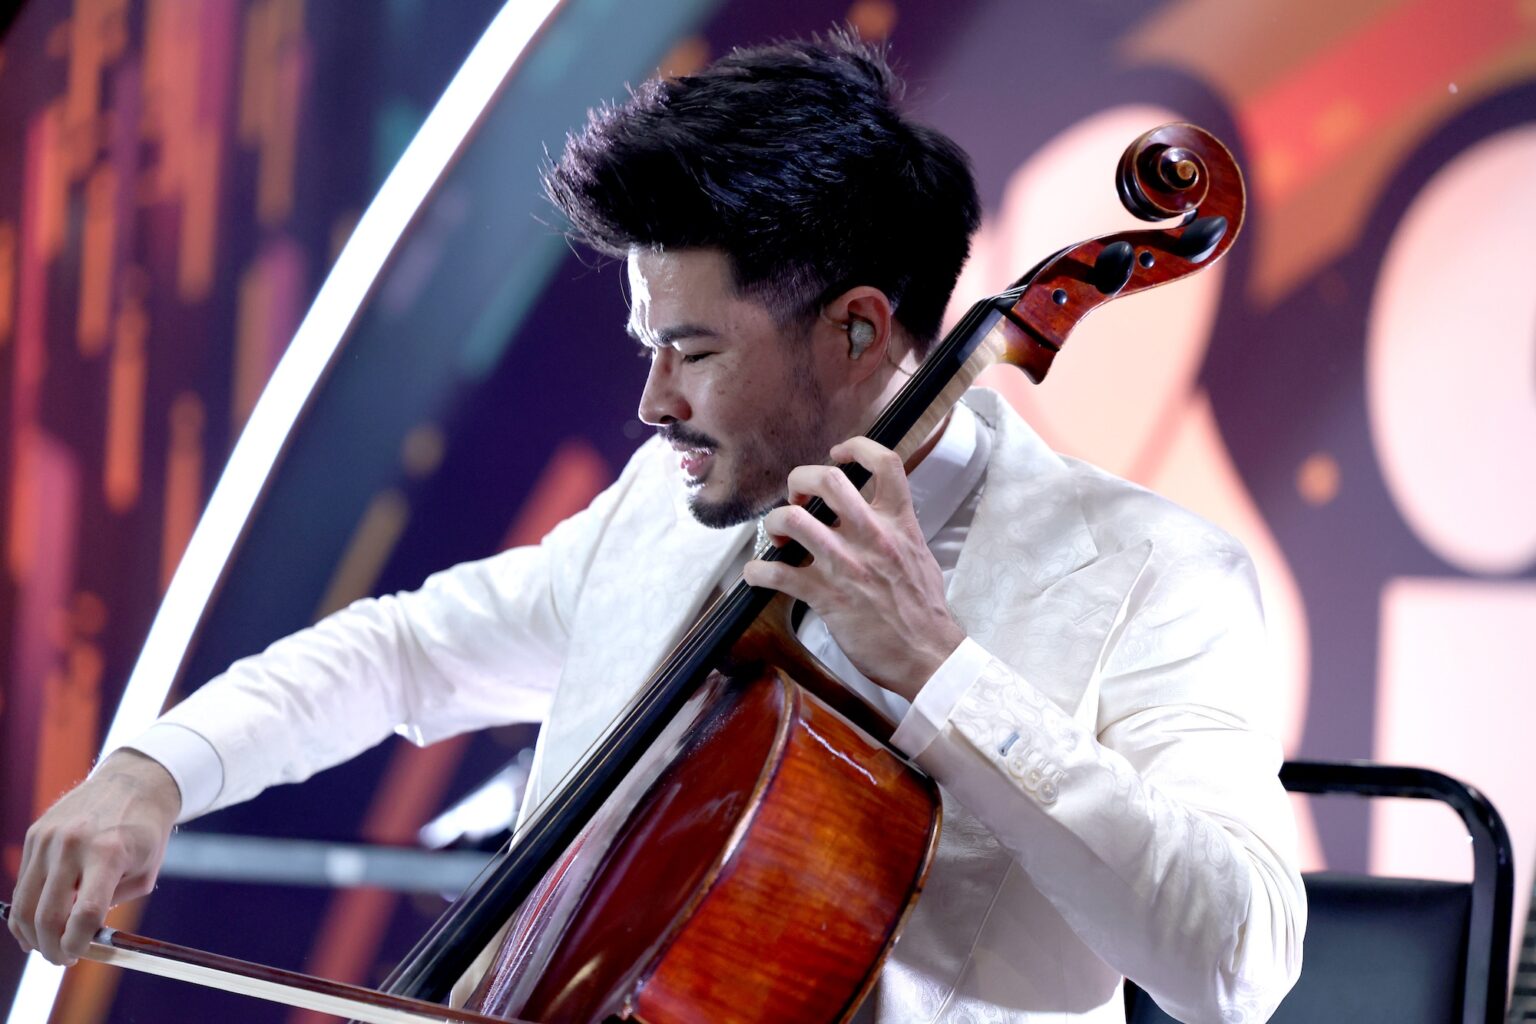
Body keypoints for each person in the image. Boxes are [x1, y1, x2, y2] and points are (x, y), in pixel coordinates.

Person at [8, 30, 1304, 1023]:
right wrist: (157, 769)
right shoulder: (662, 512)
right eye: (648, 345)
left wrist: (940, 671)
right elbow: (403, 654)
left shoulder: (1153, 571)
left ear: (857, 330)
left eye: (692, 351)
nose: (652, 403)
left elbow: (1234, 959)